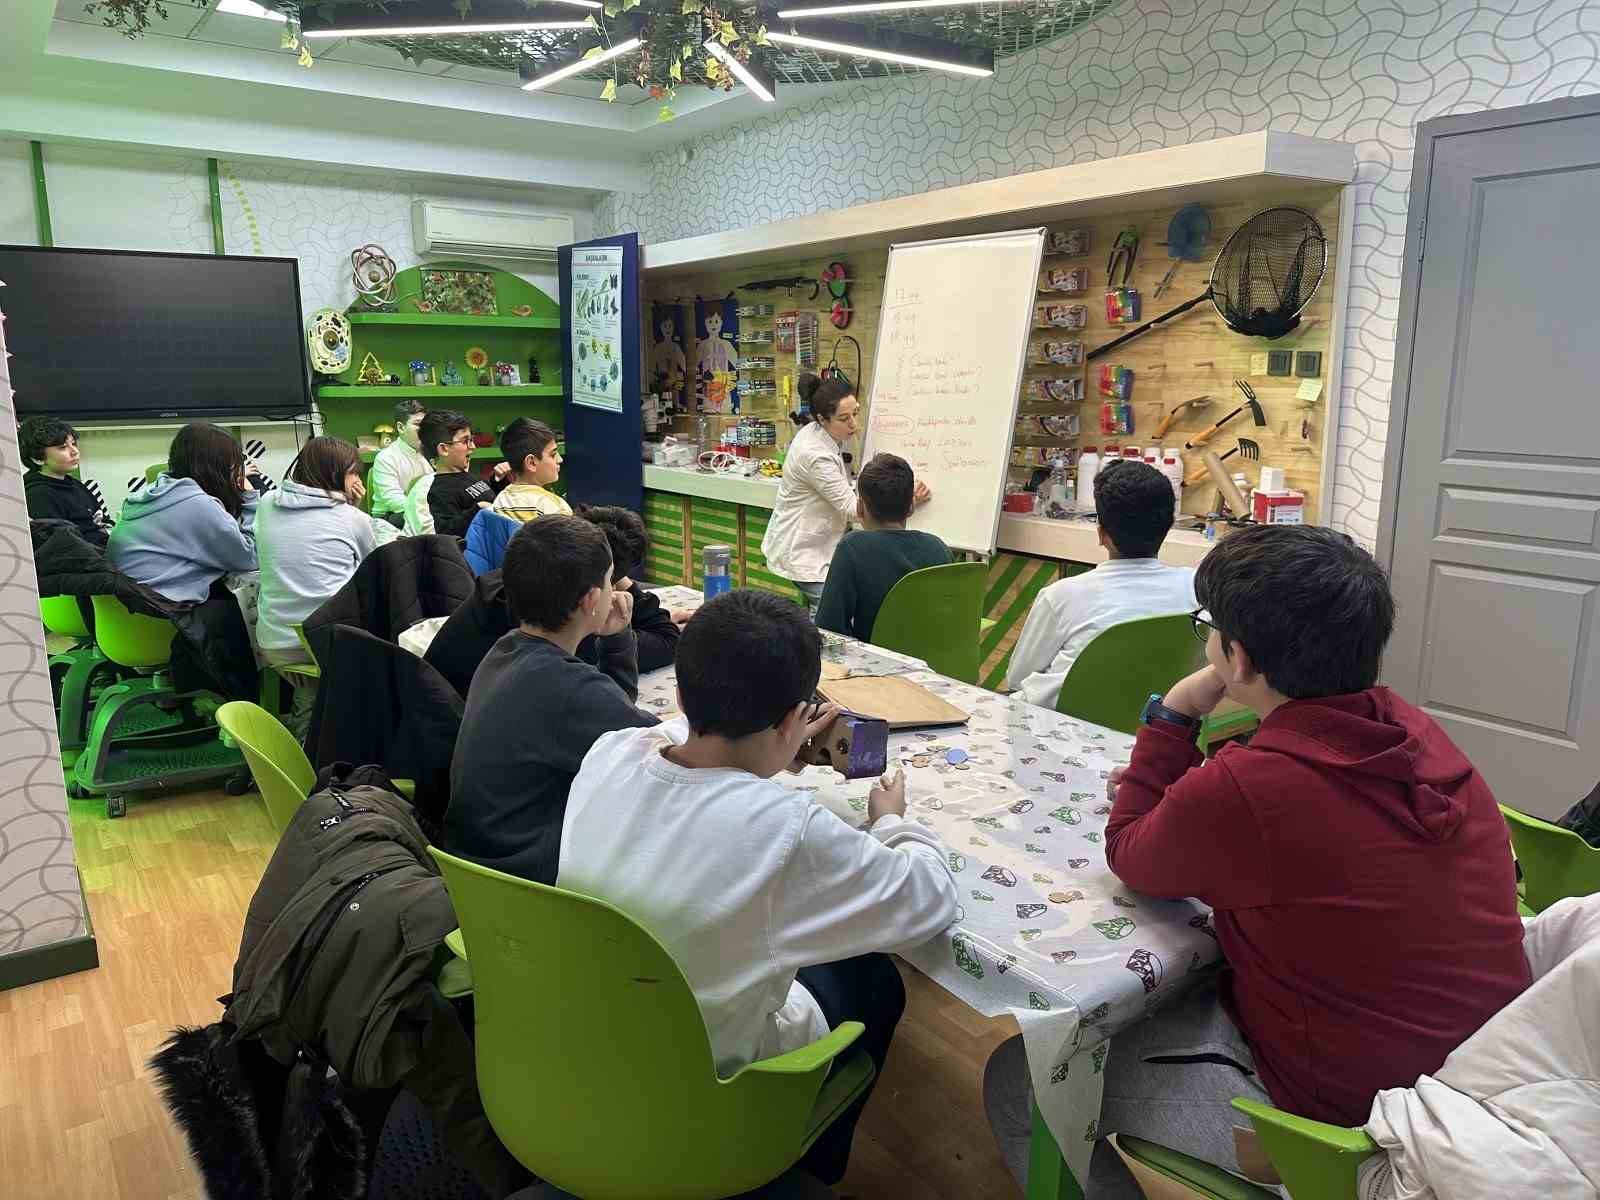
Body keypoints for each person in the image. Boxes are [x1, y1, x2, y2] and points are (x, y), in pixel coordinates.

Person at [984, 524, 1530, 1196]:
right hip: (1477, 1071)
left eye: (1207, 627)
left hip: (1345, 1128)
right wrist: (1196, 798)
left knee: (1021, 1082)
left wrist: (1176, 713)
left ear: (1236, 657)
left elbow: (1128, 852)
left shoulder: (1249, 789)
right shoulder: (1414, 731)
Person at [560, 589, 959, 1185]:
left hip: (592, 1038)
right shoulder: (787, 830)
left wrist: (770, 751)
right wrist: (891, 822)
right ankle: (800, 1169)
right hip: (705, 1088)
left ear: (680, 692)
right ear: (795, 719)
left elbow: (680, 738)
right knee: (874, 978)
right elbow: (930, 897)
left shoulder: (610, 751)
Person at [444, 516, 657, 885]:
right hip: (528, 884)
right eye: (610, 580)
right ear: (592, 600)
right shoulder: (568, 687)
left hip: (476, 869)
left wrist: (615, 639)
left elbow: (613, 722)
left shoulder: (507, 650)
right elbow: (658, 752)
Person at [424, 504, 682, 698]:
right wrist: (621, 589)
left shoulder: (514, 584)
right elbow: (667, 641)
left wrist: (611, 578)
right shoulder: (569, 630)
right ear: (592, 598)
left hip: (441, 721)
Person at [1006, 459, 1196, 709]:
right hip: (1154, 722)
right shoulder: (1195, 587)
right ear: (1168, 527)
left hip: (1061, 724)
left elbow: (1017, 678)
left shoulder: (1062, 596)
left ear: (1102, 534)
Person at [762, 374, 929, 613]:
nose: (854, 424)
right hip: (804, 551)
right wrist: (907, 500)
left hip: (822, 544)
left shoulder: (826, 435)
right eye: (844, 418)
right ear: (822, 419)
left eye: (855, 413)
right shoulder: (814, 454)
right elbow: (853, 509)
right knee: (829, 609)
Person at [255, 437, 388, 735]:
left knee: (313, 684)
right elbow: (373, 570)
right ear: (336, 475)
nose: (358, 481)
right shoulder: (353, 519)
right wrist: (353, 508)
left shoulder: (266, 504)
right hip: (326, 645)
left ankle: (305, 727)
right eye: (354, 473)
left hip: (273, 642)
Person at [108, 422, 259, 603]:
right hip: (163, 608)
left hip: (129, 603)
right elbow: (250, 558)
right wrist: (250, 496)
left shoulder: (156, 490)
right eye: (232, 464)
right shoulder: (197, 504)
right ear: (215, 467)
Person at [815, 452, 950, 640]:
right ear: (911, 507)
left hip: (876, 657)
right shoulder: (939, 548)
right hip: (930, 657)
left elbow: (829, 627)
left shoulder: (853, 548)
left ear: (860, 508)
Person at [403, 409, 507, 537]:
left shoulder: (467, 475)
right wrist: (478, 510)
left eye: (471, 440)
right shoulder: (439, 491)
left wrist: (498, 481)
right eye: (465, 441)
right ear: (444, 449)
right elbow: (446, 534)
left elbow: (489, 497)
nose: (473, 447)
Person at [20, 416, 110, 546]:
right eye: (62, 447)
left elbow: (104, 521)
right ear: (37, 458)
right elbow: (63, 546)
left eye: (73, 444)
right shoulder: (38, 495)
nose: (75, 451)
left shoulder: (74, 484)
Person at [492, 417, 572, 522]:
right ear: (531, 463)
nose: (560, 459)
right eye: (553, 455)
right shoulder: (555, 507)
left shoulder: (500, 500)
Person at [369, 398, 431, 529]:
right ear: (401, 427)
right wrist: (428, 511)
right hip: (389, 517)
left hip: (422, 512)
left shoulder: (430, 453)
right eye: (418, 424)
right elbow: (394, 501)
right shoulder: (386, 457)